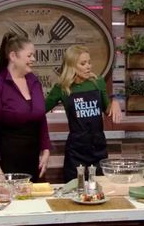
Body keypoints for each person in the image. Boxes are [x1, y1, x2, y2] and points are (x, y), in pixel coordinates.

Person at [46, 45, 122, 182]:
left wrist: (114, 103)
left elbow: (107, 109)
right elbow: (39, 110)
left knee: (99, 188)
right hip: (76, 150)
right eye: (83, 63)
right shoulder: (62, 88)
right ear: (71, 66)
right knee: (74, 189)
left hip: (98, 147)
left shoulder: (97, 82)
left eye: (89, 62)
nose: (88, 66)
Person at [0, 32, 51, 182]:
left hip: (32, 158)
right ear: (13, 56)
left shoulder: (34, 81)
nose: (33, 59)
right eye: (29, 55)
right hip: (6, 160)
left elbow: (41, 117)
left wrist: (46, 150)